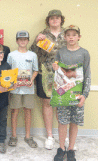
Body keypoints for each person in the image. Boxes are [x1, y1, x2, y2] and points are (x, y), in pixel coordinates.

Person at [52, 25, 91, 161]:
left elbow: (87, 74)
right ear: (64, 37)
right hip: (63, 93)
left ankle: (71, 149)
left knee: (74, 122)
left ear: (79, 37)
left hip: (77, 94)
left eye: (74, 35)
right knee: (62, 121)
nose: (71, 37)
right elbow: (56, 73)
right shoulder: (61, 52)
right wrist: (55, 68)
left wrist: (84, 95)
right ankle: (61, 148)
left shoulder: (84, 53)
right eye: (68, 35)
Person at [30, 9, 66, 149]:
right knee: (47, 103)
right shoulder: (43, 35)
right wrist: (36, 41)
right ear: (48, 20)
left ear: (61, 20)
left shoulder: (67, 34)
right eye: (52, 18)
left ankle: (64, 136)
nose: (55, 20)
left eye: (57, 18)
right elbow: (32, 53)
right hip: (45, 74)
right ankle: (50, 136)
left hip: (64, 74)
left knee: (62, 104)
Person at [7, 30, 39, 148]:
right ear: (17, 41)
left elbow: (36, 70)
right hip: (15, 89)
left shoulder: (32, 55)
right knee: (14, 111)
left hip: (28, 89)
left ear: (28, 41)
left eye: (25, 39)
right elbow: (8, 71)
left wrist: (32, 79)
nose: (22, 41)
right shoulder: (11, 55)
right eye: (20, 39)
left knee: (28, 111)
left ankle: (27, 136)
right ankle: (14, 136)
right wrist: (12, 82)